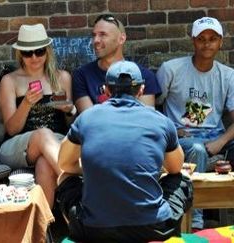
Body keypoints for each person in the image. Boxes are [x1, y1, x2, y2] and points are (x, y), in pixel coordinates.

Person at [56, 60, 193, 242]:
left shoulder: (86, 118)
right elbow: (176, 168)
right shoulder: (161, 121)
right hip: (153, 228)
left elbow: (64, 164)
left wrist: (93, 170)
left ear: (106, 90)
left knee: (64, 178)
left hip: (93, 230)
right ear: (141, 90)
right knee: (182, 180)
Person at [156, 16, 234, 231]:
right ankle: (197, 222)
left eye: (212, 38)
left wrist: (220, 142)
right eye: (201, 38)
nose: (207, 43)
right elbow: (151, 107)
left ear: (221, 42)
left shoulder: (228, 76)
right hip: (182, 138)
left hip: (215, 137)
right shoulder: (171, 69)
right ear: (193, 41)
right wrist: (171, 130)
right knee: (197, 149)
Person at [0, 23, 74, 208]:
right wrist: (26, 104)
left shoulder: (62, 78)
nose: (34, 57)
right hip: (17, 145)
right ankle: (73, 184)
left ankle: (43, 228)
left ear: (47, 51)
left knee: (44, 163)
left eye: (39, 51)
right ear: (20, 54)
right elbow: (11, 129)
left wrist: (69, 110)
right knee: (42, 133)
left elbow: (71, 125)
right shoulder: (10, 81)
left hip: (55, 143)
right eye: (27, 52)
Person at [72, 14, 160, 114]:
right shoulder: (82, 75)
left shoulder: (144, 76)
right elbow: (88, 120)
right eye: (94, 35)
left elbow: (146, 120)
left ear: (121, 39)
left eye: (102, 34)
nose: (95, 40)